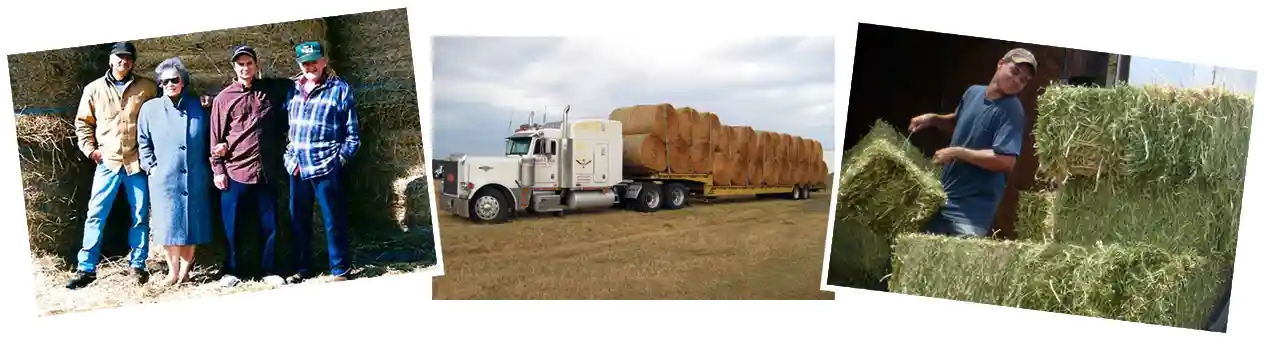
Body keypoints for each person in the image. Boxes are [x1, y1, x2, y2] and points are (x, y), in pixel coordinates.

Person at [907, 48, 1036, 238]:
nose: (1017, 80)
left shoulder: (1011, 111)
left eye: (1023, 80)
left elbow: (1006, 161)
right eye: (1015, 72)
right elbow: (959, 123)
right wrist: (933, 119)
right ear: (1000, 64)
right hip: (942, 199)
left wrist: (957, 152)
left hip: (969, 215)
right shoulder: (973, 92)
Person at [67, 42, 159, 289]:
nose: (124, 61)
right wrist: (90, 150)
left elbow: (162, 115)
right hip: (107, 162)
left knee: (140, 215)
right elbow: (83, 123)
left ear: (133, 62)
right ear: (110, 60)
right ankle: (86, 268)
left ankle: (138, 264)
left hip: (136, 163)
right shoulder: (93, 89)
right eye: (119, 57)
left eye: (128, 58)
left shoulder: (148, 88)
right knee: (96, 214)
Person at [209, 45, 290, 287]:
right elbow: (215, 137)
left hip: (265, 170)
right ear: (234, 68)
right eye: (240, 64)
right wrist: (218, 170)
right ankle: (232, 270)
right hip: (235, 171)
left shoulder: (269, 92)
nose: (245, 68)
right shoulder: (224, 99)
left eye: (249, 63)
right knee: (233, 225)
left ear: (256, 66)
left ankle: (269, 270)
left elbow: (296, 82)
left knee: (269, 224)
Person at [282, 41, 361, 283]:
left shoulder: (339, 89)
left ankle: (340, 269)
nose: (310, 66)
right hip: (297, 165)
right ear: (299, 64)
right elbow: (284, 128)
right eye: (305, 62)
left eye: (314, 61)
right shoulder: (292, 89)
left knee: (333, 219)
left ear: (324, 61)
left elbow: (353, 133)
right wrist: (289, 157)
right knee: (298, 220)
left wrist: (340, 159)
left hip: (326, 165)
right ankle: (303, 268)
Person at [137, 57, 215, 286]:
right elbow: (143, 141)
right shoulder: (149, 109)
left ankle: (186, 273)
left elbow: (212, 134)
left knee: (193, 223)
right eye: (164, 81)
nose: (169, 84)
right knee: (169, 224)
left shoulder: (198, 106)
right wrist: (151, 166)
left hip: (195, 175)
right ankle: (172, 272)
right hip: (164, 178)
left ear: (183, 82)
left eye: (175, 79)